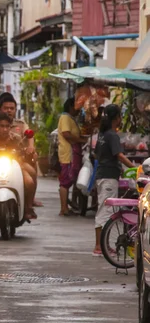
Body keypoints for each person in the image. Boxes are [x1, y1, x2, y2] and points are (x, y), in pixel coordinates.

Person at [93, 104, 134, 256]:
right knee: (105, 211)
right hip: (108, 177)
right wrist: (134, 168)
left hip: (102, 175)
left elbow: (98, 154)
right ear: (116, 118)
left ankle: (102, 246)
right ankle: (98, 246)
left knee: (104, 209)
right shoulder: (112, 135)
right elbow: (120, 155)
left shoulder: (102, 134)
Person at [57, 97, 87, 217]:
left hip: (71, 153)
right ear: (71, 106)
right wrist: (81, 140)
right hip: (68, 154)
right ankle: (64, 208)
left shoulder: (69, 118)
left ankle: (66, 207)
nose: (79, 109)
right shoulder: (65, 117)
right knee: (65, 181)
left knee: (68, 180)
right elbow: (66, 134)